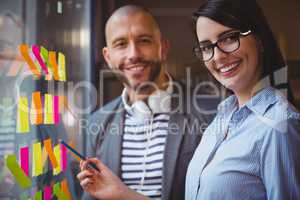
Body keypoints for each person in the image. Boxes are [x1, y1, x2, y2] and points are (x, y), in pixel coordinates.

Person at [77, 5, 218, 200]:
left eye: (144, 41)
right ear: (108, 57)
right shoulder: (96, 124)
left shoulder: (211, 112)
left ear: (163, 48)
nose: (133, 54)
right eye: (120, 44)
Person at [185, 0, 300, 199]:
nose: (218, 57)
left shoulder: (279, 124)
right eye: (205, 47)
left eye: (229, 38)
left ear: (260, 40)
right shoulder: (222, 116)